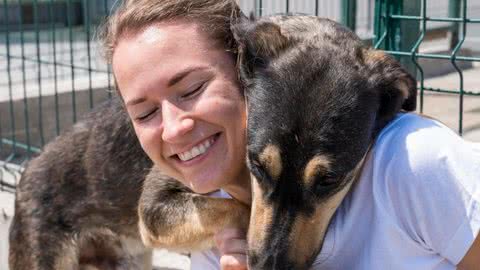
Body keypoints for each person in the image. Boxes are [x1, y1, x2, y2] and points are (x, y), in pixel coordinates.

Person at [100, 0, 480, 269]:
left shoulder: (414, 162)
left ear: (239, 74)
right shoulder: (217, 218)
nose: (174, 126)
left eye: (193, 89)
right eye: (145, 112)